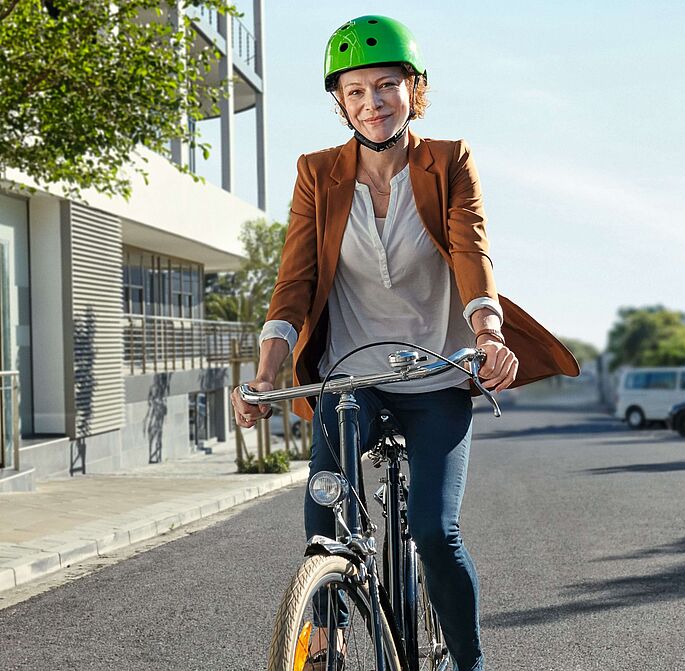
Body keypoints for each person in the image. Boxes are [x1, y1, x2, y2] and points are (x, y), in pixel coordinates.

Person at [230, 15, 579, 671]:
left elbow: (471, 250)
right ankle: (326, 641)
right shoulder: (317, 173)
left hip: (438, 374)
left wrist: (488, 333)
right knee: (326, 507)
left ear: (414, 89)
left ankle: (468, 661)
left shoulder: (447, 162)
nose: (372, 102)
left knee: (433, 531)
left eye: (386, 85)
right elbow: (296, 283)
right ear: (340, 102)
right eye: (356, 91)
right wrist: (267, 372)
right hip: (350, 377)